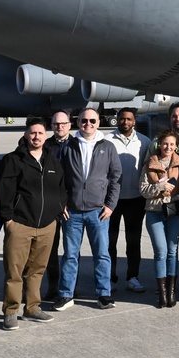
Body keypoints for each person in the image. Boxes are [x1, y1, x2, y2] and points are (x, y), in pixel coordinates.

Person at [0, 117, 65, 330]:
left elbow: (61, 189)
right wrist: (8, 219)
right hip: (20, 223)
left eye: (40, 133)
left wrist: (58, 208)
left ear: (46, 136)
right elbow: (4, 191)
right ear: (27, 134)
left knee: (37, 269)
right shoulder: (13, 159)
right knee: (14, 270)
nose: (36, 137)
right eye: (33, 133)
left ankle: (32, 307)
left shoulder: (53, 161)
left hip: (47, 225)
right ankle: (11, 311)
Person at [54, 108, 122, 312]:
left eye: (92, 120)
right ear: (78, 122)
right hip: (72, 212)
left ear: (99, 121)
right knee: (70, 255)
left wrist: (110, 205)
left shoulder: (108, 147)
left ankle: (103, 294)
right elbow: (58, 179)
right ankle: (66, 294)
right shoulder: (68, 146)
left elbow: (116, 178)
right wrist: (61, 203)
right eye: (84, 120)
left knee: (102, 254)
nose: (88, 124)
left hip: (98, 212)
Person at [107, 107, 150, 295]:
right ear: (118, 120)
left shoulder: (145, 141)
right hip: (111, 201)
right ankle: (110, 278)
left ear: (134, 121)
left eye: (129, 119)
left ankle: (133, 277)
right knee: (110, 241)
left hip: (135, 199)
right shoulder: (106, 140)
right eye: (122, 119)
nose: (125, 122)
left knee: (134, 241)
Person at [143, 131, 179, 308]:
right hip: (155, 211)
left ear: (176, 146)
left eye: (172, 144)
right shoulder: (150, 163)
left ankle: (171, 290)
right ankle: (161, 292)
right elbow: (143, 190)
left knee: (172, 251)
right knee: (161, 251)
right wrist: (160, 187)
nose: (168, 147)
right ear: (159, 144)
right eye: (165, 144)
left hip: (174, 211)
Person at [43, 110, 73, 301]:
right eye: (55, 124)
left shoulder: (78, 144)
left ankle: (70, 287)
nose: (59, 127)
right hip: (52, 206)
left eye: (63, 123)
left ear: (70, 125)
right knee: (50, 251)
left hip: (72, 207)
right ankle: (53, 286)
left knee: (71, 250)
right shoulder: (46, 146)